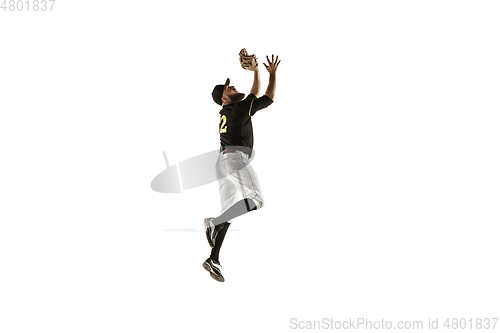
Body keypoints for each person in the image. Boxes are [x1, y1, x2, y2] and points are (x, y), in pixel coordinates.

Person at [202, 55, 281, 282]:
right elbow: (267, 96)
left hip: (222, 162)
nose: (234, 87)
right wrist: (268, 73)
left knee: (228, 213)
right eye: (229, 87)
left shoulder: (231, 110)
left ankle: (213, 259)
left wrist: (256, 72)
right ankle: (212, 223)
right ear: (225, 98)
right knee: (256, 199)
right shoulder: (236, 108)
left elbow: (254, 95)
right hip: (234, 159)